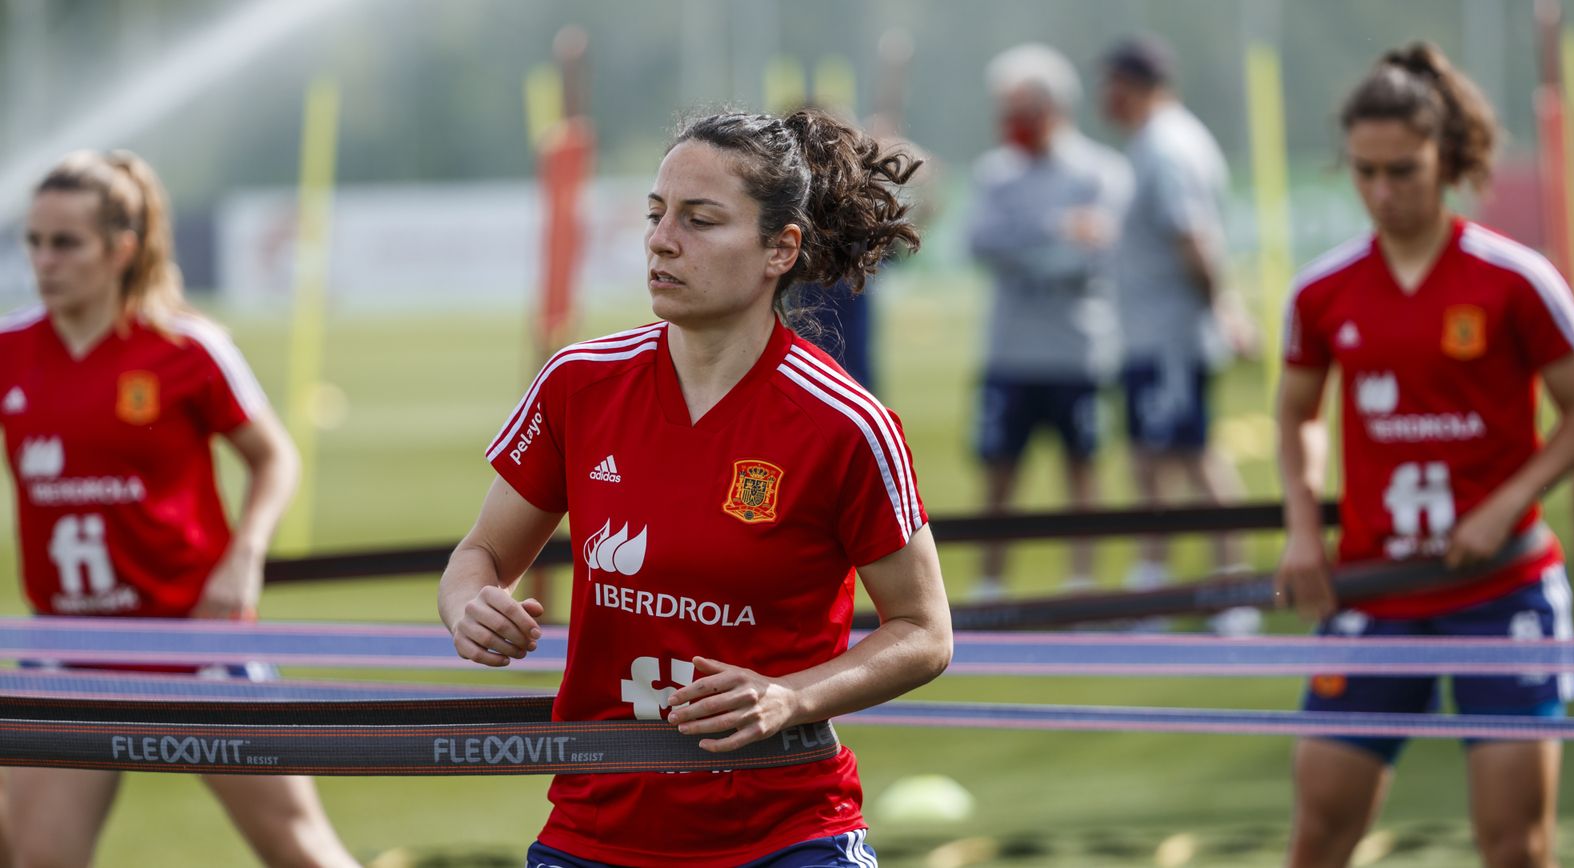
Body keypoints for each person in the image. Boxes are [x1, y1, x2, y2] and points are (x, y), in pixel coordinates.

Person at [438, 108, 952, 867]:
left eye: (701, 220)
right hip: (594, 831)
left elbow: (924, 632)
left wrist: (792, 697)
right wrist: (468, 604)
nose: (661, 239)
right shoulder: (579, 384)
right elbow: (480, 552)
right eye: (656, 214)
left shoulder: (847, 423)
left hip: (787, 834)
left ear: (781, 248)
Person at [1276, 43, 1574, 868]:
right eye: (1365, 172)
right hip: (1377, 592)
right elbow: (1298, 417)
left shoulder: (1517, 279)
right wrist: (1305, 530)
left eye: (1404, 172)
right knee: (1317, 838)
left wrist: (1503, 505)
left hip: (1503, 595)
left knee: (1515, 849)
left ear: (1446, 160)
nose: (1383, 193)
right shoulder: (1322, 290)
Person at [0, 150, 358, 868]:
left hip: (196, 645)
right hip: (71, 651)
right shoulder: (10, 347)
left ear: (120, 249)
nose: (44, 259)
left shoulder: (186, 346)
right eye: (33, 241)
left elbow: (273, 456)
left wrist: (244, 555)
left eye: (65, 242)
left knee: (301, 850)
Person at [1099, 35, 1258, 633]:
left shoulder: (1166, 146)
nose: (1102, 97)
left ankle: (1232, 590)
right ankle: (1160, 584)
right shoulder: (1163, 140)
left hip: (1169, 335)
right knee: (1155, 459)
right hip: (1155, 332)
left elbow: (1194, 241)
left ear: (1131, 83)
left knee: (1189, 457)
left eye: (1109, 83)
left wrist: (1224, 311)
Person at [965, 43, 1130, 601]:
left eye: (1021, 109)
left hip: (1076, 349)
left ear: (1054, 107)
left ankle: (1081, 579)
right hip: (1009, 351)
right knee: (997, 472)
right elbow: (981, 243)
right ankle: (990, 580)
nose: (1010, 122)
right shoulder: (996, 174)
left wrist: (1033, 244)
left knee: (1082, 470)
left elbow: (1096, 254)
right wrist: (1055, 233)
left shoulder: (1099, 171)